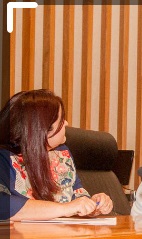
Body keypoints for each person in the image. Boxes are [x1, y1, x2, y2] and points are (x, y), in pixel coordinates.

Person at [0, 89, 113, 221]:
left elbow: (76, 195)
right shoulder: (4, 158)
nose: (66, 123)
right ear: (41, 130)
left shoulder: (61, 154)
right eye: (61, 121)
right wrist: (65, 209)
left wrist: (93, 205)